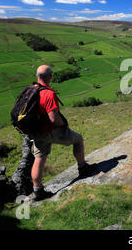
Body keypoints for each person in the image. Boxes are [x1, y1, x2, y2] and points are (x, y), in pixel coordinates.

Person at [25, 65, 95, 202]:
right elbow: (53, 118)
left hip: (37, 132)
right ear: (50, 77)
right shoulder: (48, 94)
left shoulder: (30, 90)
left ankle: (37, 190)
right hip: (51, 131)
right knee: (78, 139)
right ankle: (83, 167)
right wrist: (62, 125)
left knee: (39, 159)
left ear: (37, 76)